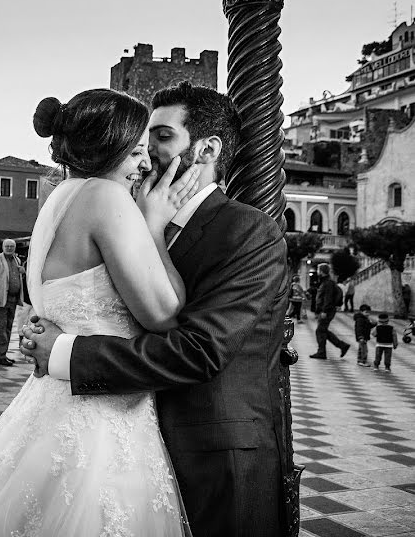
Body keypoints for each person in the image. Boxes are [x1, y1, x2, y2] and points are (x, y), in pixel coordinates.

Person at [18, 82, 292, 536]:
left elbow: (199, 349)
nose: (144, 153)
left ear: (206, 150)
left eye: (161, 138)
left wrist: (65, 352)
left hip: (212, 457)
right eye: (140, 142)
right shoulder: (119, 214)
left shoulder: (247, 232)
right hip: (123, 443)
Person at [0, 88, 200, 536]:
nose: (145, 165)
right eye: (134, 152)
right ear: (109, 149)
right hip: (101, 417)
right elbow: (165, 315)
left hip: (57, 401)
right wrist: (151, 227)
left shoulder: (58, 199)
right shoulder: (107, 199)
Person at [0, 238, 24, 366]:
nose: (9, 248)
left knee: (8, 327)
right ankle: (0, 355)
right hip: (2, 299)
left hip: (13, 299)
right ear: (2, 247)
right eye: (7, 246)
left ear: (14, 248)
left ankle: (3, 353)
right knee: (1, 328)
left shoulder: (17, 260)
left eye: (11, 246)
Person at [310, 262, 350, 359]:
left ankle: (322, 352)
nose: (317, 272)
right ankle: (342, 346)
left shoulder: (328, 283)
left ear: (322, 271)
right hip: (326, 310)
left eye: (319, 270)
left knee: (320, 331)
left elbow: (328, 298)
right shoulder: (325, 282)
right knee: (323, 331)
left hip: (327, 311)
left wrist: (324, 311)